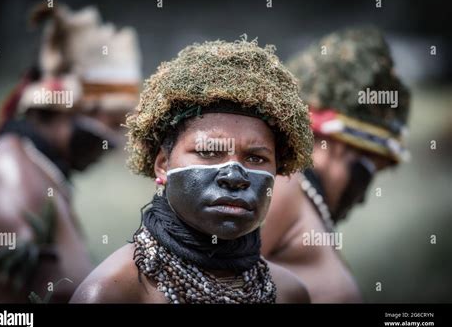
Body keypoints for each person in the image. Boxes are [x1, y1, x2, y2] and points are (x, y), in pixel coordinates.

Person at [71, 38, 314, 304]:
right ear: (163, 164)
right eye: (209, 153)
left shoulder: (289, 293)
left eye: (256, 158)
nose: (234, 177)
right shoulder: (114, 293)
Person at [0, 3, 141, 303]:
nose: (111, 144)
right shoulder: (9, 168)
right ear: (63, 105)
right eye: (103, 129)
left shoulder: (38, 169)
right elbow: (52, 289)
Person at [260, 27, 411, 303]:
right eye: (365, 173)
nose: (363, 198)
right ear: (338, 144)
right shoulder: (284, 184)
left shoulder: (303, 200)